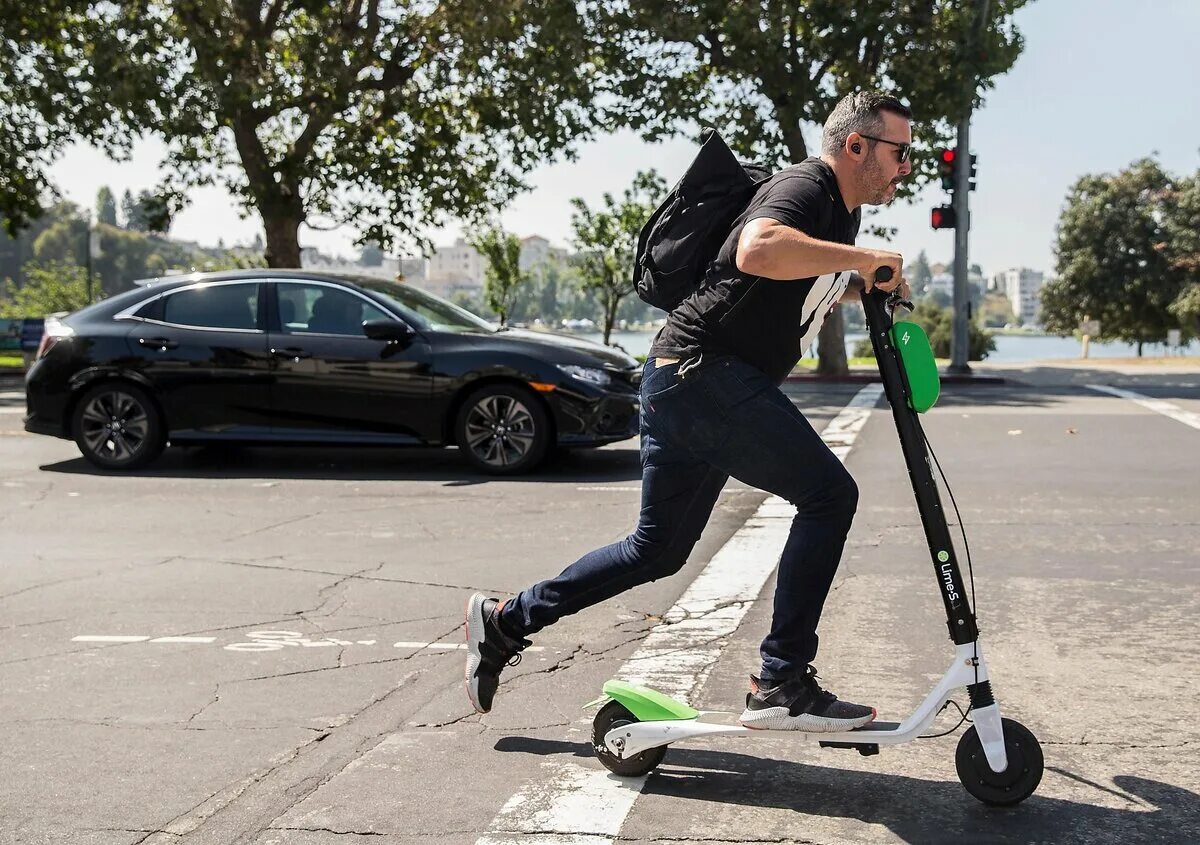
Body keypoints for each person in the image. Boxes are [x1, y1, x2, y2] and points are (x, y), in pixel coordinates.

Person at [466, 91, 913, 731]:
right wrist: (860, 260)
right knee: (828, 494)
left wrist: (859, 280)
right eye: (900, 153)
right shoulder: (806, 188)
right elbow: (757, 250)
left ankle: (508, 620)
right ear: (856, 147)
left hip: (686, 381)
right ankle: (782, 678)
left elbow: (781, 291)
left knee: (657, 551)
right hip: (703, 374)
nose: (906, 168)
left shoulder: (839, 215)